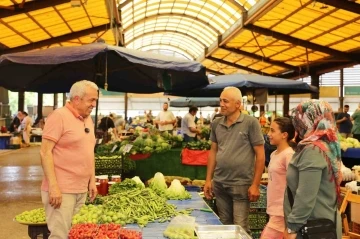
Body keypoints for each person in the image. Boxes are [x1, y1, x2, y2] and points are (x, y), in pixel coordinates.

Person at [40, 80, 98, 239]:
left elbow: (89, 151)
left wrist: (92, 180)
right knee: (60, 235)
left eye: (95, 100)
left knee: (76, 234)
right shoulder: (58, 116)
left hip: (81, 188)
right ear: (77, 99)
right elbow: (45, 152)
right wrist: (53, 187)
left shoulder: (87, 119)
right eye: (91, 100)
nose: (94, 104)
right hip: (62, 189)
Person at [204, 86, 265, 233]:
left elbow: (261, 155)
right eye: (220, 101)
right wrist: (208, 180)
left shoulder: (251, 123)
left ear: (238, 104)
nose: (222, 104)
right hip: (219, 183)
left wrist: (255, 184)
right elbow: (213, 151)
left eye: (226, 101)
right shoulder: (216, 123)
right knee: (225, 226)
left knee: (240, 228)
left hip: (241, 184)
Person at [284, 100, 342, 239]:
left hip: (313, 229)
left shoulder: (313, 150)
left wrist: (292, 227)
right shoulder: (327, 146)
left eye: (299, 120)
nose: (297, 125)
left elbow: (305, 195)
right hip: (318, 225)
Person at [261, 117, 295, 239]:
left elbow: (294, 185)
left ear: (284, 135)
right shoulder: (273, 154)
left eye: (272, 131)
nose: (268, 134)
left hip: (282, 212)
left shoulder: (289, 155)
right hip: (273, 210)